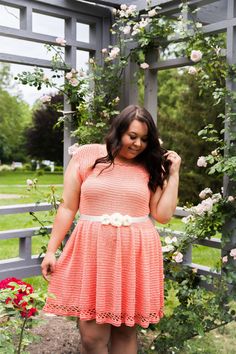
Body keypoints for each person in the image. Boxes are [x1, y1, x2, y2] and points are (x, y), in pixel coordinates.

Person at [41, 104, 181, 354]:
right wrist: (52, 250)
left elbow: (162, 215)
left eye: (145, 139)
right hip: (93, 251)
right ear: (119, 131)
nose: (138, 144)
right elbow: (67, 207)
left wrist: (174, 174)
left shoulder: (151, 166)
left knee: (125, 331)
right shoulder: (87, 155)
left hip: (134, 254)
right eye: (133, 136)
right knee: (92, 336)